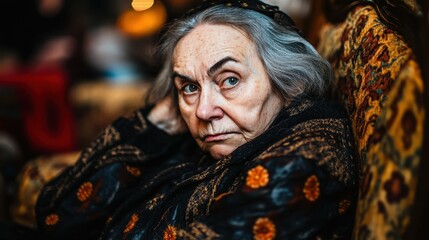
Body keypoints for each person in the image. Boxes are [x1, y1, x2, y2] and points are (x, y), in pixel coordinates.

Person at [34, 0, 357, 239]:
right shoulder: (215, 138)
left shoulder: (300, 163)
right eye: (189, 86)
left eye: (230, 79)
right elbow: (56, 217)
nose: (203, 111)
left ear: (292, 82)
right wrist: (161, 121)